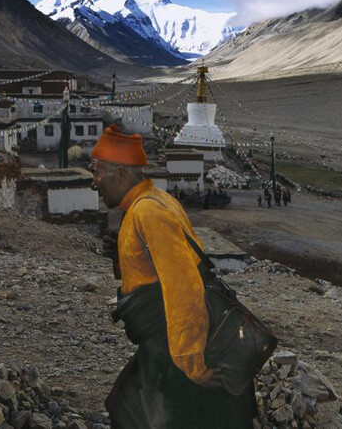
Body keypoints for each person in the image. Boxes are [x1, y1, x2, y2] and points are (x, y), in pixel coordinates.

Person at [89, 126, 254, 428]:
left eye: (97, 172)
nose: (93, 182)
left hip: (175, 350)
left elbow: (184, 285)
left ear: (122, 173)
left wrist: (192, 361)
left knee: (137, 414)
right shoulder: (152, 201)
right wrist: (121, 256)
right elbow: (152, 274)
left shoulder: (149, 212)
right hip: (164, 344)